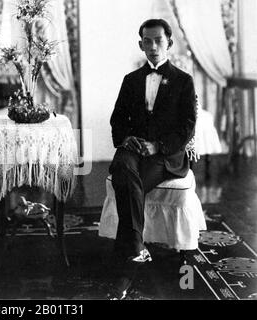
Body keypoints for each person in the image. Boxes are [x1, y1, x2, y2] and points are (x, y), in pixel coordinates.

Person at [108, 19, 196, 299]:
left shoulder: (183, 81)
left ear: (169, 43)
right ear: (140, 44)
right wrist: (125, 139)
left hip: (164, 155)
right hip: (133, 149)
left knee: (128, 186)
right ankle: (136, 248)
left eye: (159, 41)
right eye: (148, 41)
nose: (153, 46)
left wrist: (158, 146)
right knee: (122, 167)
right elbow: (117, 119)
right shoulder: (131, 80)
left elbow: (187, 126)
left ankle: (126, 267)